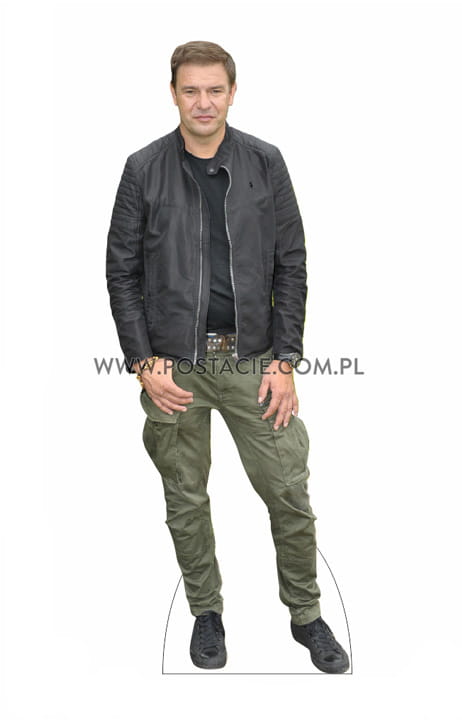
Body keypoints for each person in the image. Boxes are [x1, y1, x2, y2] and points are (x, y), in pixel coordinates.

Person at [106, 40, 349, 673]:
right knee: (185, 499)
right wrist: (143, 361)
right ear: (173, 94)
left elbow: (291, 264)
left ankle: (306, 615)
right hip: (173, 368)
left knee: (288, 492)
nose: (203, 102)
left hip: (253, 362)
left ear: (233, 93)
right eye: (191, 90)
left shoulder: (265, 162)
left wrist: (285, 360)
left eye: (215, 89)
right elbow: (122, 271)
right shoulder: (143, 169)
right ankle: (206, 614)